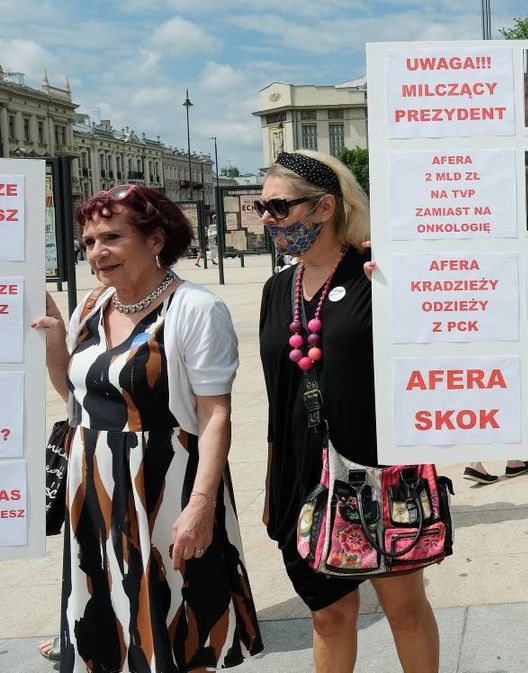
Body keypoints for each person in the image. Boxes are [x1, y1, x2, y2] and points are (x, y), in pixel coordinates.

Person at [33, 184, 263, 672]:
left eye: (111, 237)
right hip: (95, 491)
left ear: (155, 240)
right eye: (90, 241)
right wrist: (57, 340)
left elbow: (214, 413)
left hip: (167, 487)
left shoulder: (196, 309)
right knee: (112, 630)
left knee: (180, 627)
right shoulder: (93, 306)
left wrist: (200, 507)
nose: (97, 252)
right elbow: (78, 398)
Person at [258, 150, 440, 673]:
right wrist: (276, 484)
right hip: (302, 476)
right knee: (328, 616)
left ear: (324, 207)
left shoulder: (376, 274)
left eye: (278, 206)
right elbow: (278, 395)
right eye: (261, 206)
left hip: (379, 468)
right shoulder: (277, 290)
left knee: (403, 610)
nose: (268, 218)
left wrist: (404, 268)